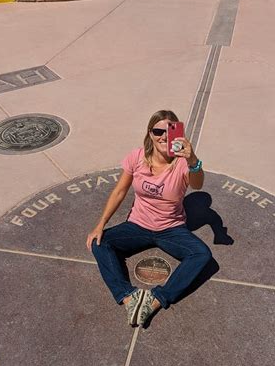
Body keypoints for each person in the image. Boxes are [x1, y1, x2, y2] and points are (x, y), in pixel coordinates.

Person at [86, 110, 213, 328]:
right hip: (137, 225)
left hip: (171, 229)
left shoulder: (183, 163)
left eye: (169, 131)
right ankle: (128, 297)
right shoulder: (137, 157)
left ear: (178, 133)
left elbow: (198, 184)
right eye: (158, 131)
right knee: (100, 242)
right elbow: (119, 191)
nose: (164, 136)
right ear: (150, 134)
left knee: (202, 254)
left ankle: (155, 301)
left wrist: (192, 158)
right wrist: (100, 225)